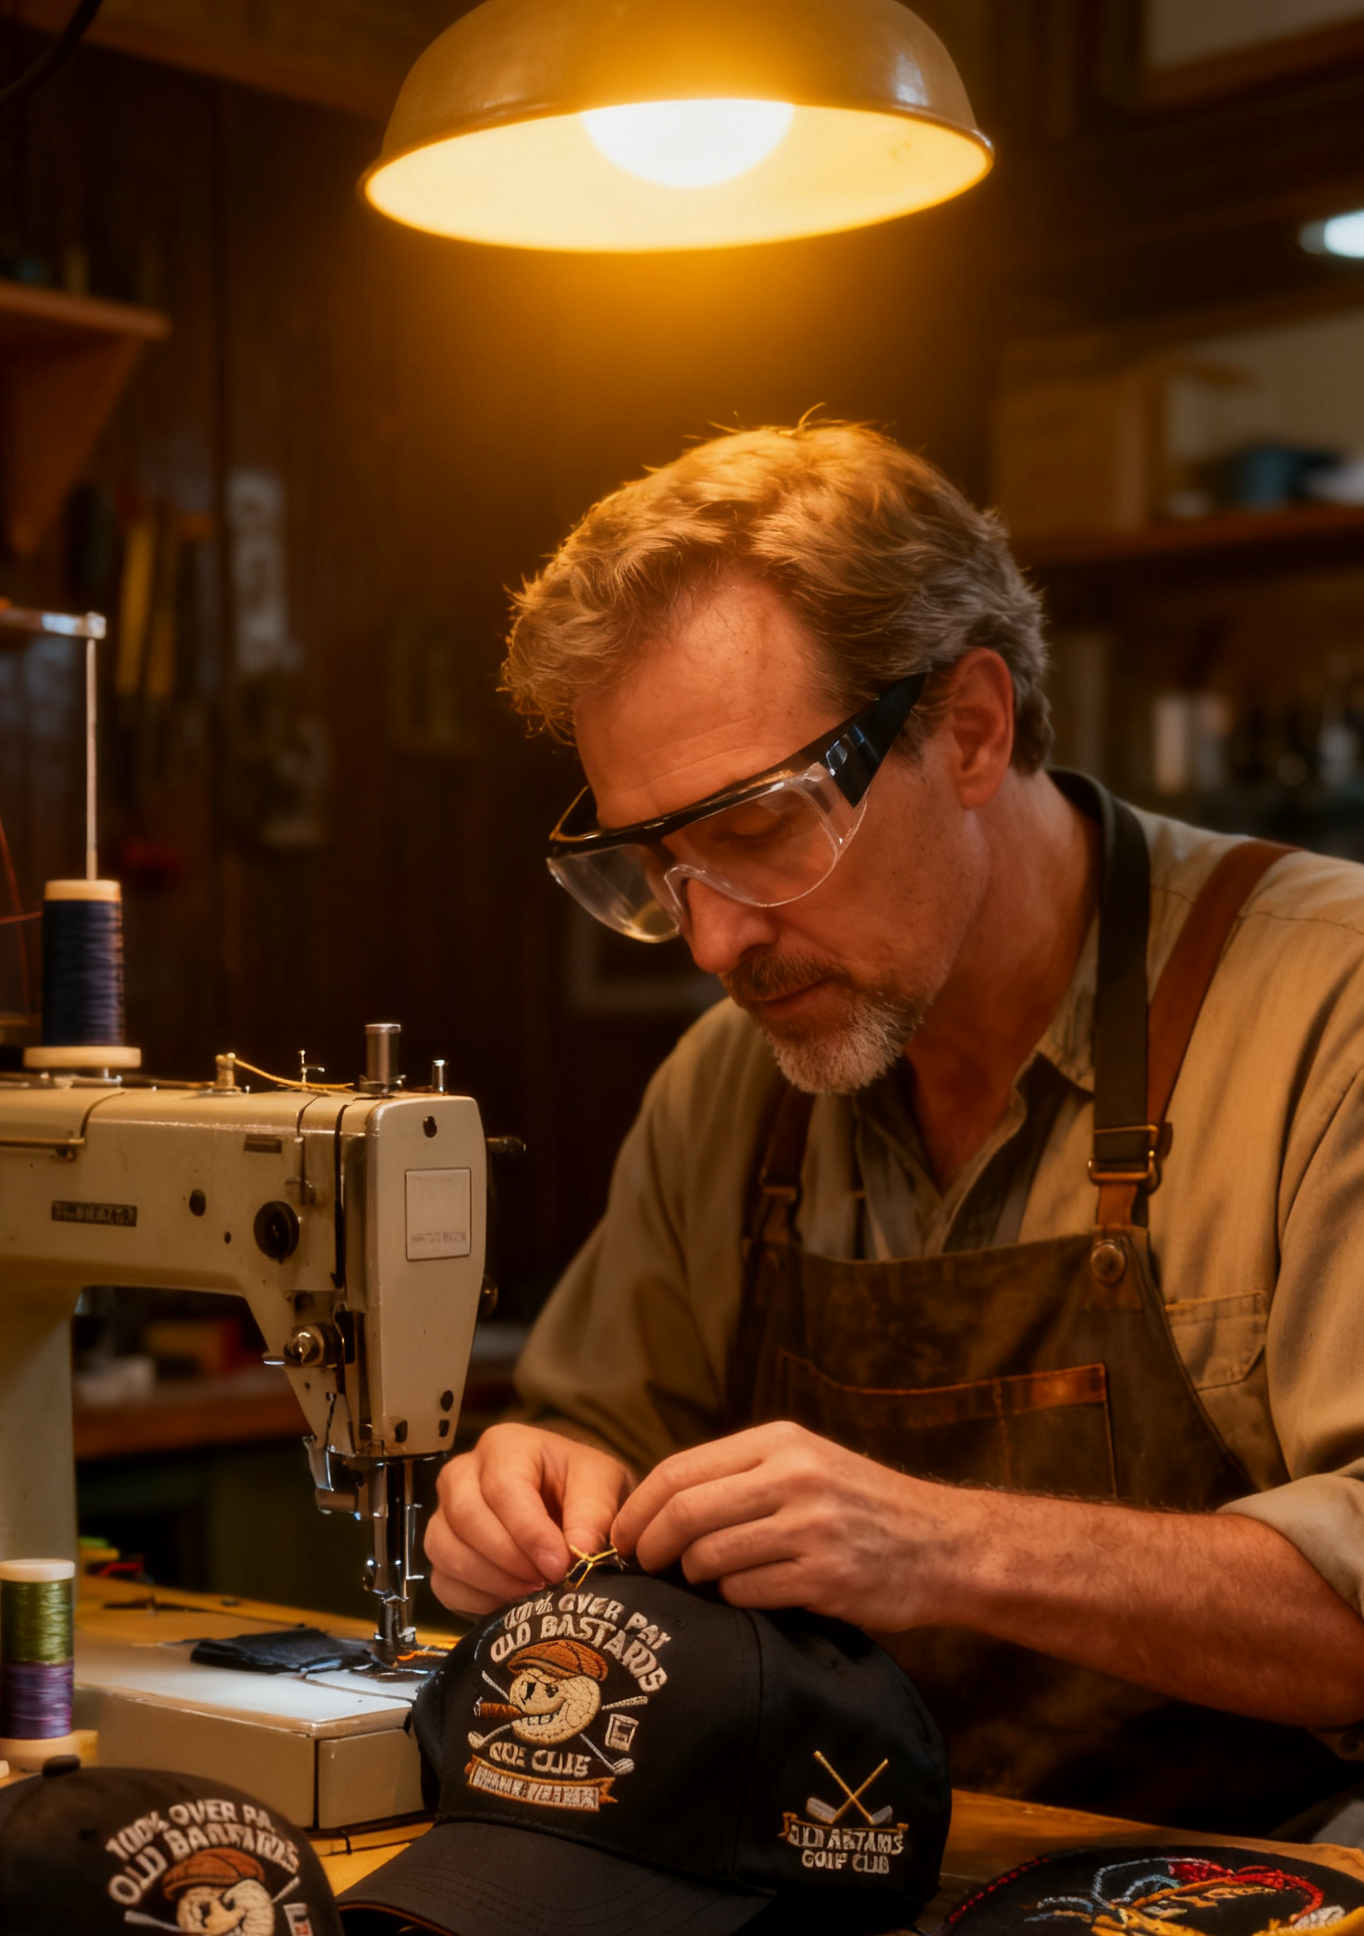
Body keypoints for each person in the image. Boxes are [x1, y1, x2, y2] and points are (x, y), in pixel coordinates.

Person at [425, 421, 1364, 1831]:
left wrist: (943, 1546)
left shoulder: (1330, 1011)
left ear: (970, 729)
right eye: (661, 867)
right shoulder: (727, 1087)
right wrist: (526, 1493)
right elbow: (593, 1426)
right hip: (839, 1889)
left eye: (758, 829)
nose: (713, 943)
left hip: (1273, 1912)